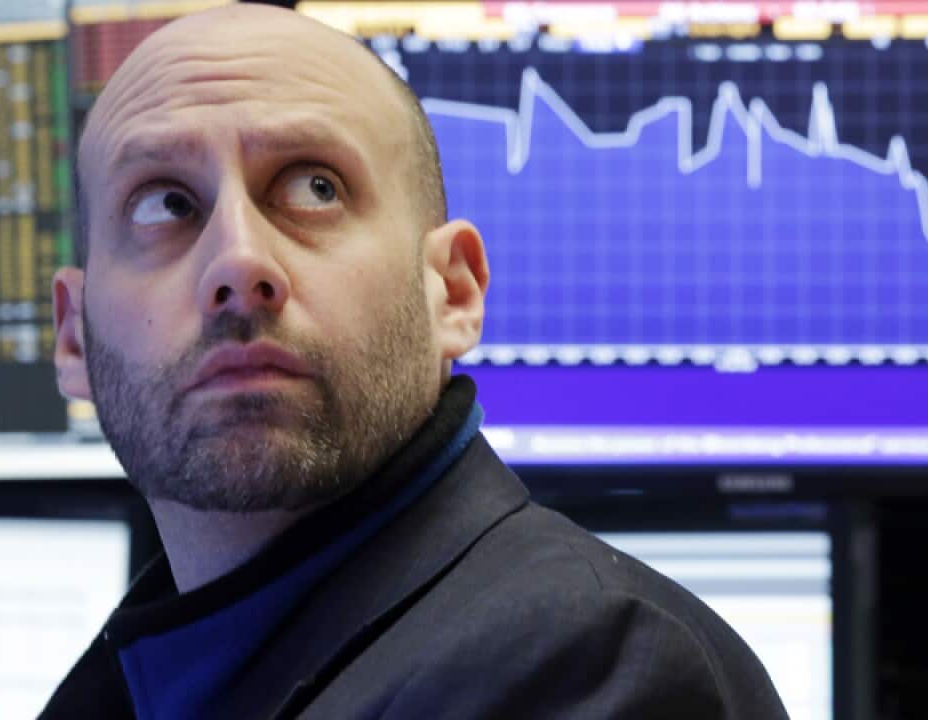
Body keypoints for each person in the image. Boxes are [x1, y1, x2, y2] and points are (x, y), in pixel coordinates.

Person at [40, 4, 788, 718]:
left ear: (452, 294)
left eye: (313, 187)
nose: (237, 262)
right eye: (165, 205)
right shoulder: (169, 674)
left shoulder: (591, 670)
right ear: (73, 340)